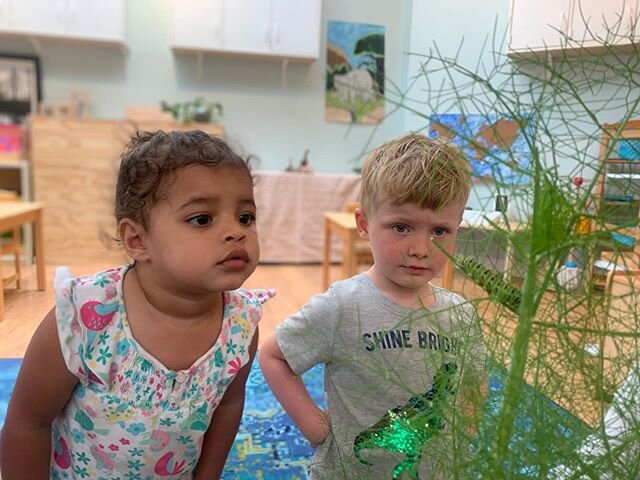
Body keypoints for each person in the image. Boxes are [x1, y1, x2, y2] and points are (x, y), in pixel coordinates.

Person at [0, 130, 273, 479]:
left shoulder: (240, 324)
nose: (236, 232)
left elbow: (228, 407)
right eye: (202, 219)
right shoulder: (85, 317)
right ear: (137, 240)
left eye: (245, 217)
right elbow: (28, 423)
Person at [259, 133, 486, 479]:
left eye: (440, 231)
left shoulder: (461, 314)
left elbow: (475, 380)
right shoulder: (342, 305)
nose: (421, 248)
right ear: (364, 224)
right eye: (401, 227)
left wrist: (466, 432)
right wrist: (317, 428)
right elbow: (273, 356)